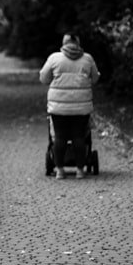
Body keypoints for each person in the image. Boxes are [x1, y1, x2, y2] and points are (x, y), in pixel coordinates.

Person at [38, 33, 100, 179]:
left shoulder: (54, 58)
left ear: (64, 43)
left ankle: (59, 170)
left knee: (59, 138)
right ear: (78, 43)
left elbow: (44, 78)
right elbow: (95, 79)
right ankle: (80, 170)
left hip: (58, 107)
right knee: (79, 137)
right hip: (81, 107)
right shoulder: (87, 58)